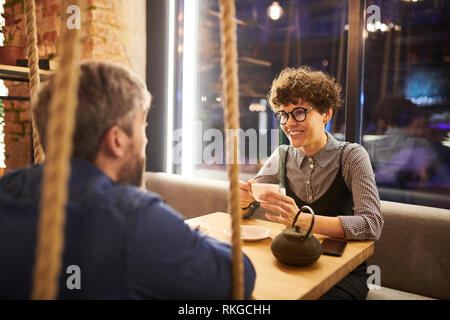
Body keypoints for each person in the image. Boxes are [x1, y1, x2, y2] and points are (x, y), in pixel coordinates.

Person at [0, 60, 255, 299]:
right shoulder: (133, 217)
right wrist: (182, 233)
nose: (146, 139)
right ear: (117, 141)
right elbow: (239, 275)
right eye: (142, 125)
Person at [239, 66, 383, 300]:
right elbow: (243, 211)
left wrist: (303, 220)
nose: (288, 123)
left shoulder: (352, 156)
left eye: (299, 112)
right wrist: (244, 201)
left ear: (326, 114)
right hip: (293, 259)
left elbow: (371, 224)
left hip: (341, 269)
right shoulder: (282, 156)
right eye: (283, 114)